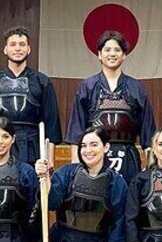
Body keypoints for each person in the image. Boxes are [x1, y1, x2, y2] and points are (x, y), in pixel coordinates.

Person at [67, 31, 156, 185]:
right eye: (107, 50)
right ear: (99, 54)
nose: (112, 54)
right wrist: (76, 165)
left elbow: (148, 134)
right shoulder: (88, 86)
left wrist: (150, 167)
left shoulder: (136, 87)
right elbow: (77, 130)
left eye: (117, 50)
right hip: (95, 154)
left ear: (124, 55)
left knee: (127, 201)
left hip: (128, 155)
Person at [0, 26, 63, 166]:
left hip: (32, 148)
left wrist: (50, 159)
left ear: (28, 49)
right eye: (13, 44)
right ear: (5, 49)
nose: (17, 49)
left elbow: (52, 123)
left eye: (22, 45)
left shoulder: (42, 82)